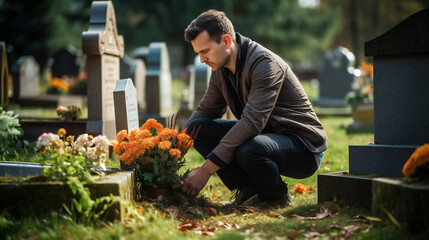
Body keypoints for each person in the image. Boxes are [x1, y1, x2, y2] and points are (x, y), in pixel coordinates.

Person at [181, 9, 327, 206]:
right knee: (197, 128)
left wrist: (206, 170)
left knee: (250, 149)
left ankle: (275, 197)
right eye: (198, 53)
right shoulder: (220, 69)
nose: (202, 59)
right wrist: (175, 148)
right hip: (263, 136)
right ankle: (249, 191)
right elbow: (206, 111)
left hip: (303, 146)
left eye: (205, 51)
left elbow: (251, 123)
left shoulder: (265, 65)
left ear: (226, 41)